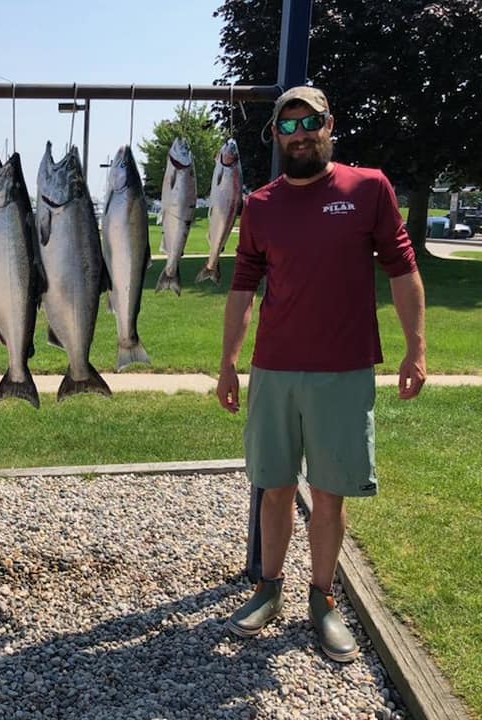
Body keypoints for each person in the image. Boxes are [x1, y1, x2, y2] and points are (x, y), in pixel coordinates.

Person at [216, 86, 426, 662]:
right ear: (276, 136)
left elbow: (403, 270)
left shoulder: (368, 188)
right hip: (274, 370)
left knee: (329, 496)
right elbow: (242, 290)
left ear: (330, 125)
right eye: (288, 126)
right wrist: (228, 364)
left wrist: (416, 349)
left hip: (344, 370)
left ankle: (323, 599)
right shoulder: (259, 204)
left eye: (310, 122)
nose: (300, 133)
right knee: (274, 488)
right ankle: (268, 591)